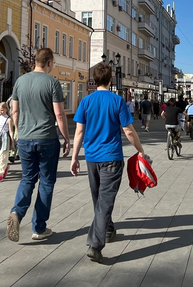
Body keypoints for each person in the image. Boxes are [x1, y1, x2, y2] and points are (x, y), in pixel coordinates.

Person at [71, 63, 147, 263]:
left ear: (94, 80)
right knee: (104, 200)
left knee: (99, 198)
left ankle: (109, 228)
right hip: (111, 157)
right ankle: (95, 245)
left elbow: (79, 132)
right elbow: (128, 130)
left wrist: (73, 157)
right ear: (110, 80)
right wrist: (140, 150)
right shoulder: (117, 101)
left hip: (92, 158)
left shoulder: (85, 101)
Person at [7, 48, 70, 243]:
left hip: (25, 138)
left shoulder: (20, 81)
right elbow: (59, 115)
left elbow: (14, 112)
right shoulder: (52, 83)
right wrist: (67, 138)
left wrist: (19, 131)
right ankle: (39, 228)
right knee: (46, 182)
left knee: (27, 179)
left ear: (36, 61)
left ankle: (17, 213)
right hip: (46, 139)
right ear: (49, 62)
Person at [0, 101, 16, 182]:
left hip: (5, 138)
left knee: (3, 156)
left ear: (6, 109)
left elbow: (11, 132)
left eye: (2, 110)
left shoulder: (9, 119)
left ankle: (0, 174)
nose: (1, 112)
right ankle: (5, 167)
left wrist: (12, 143)